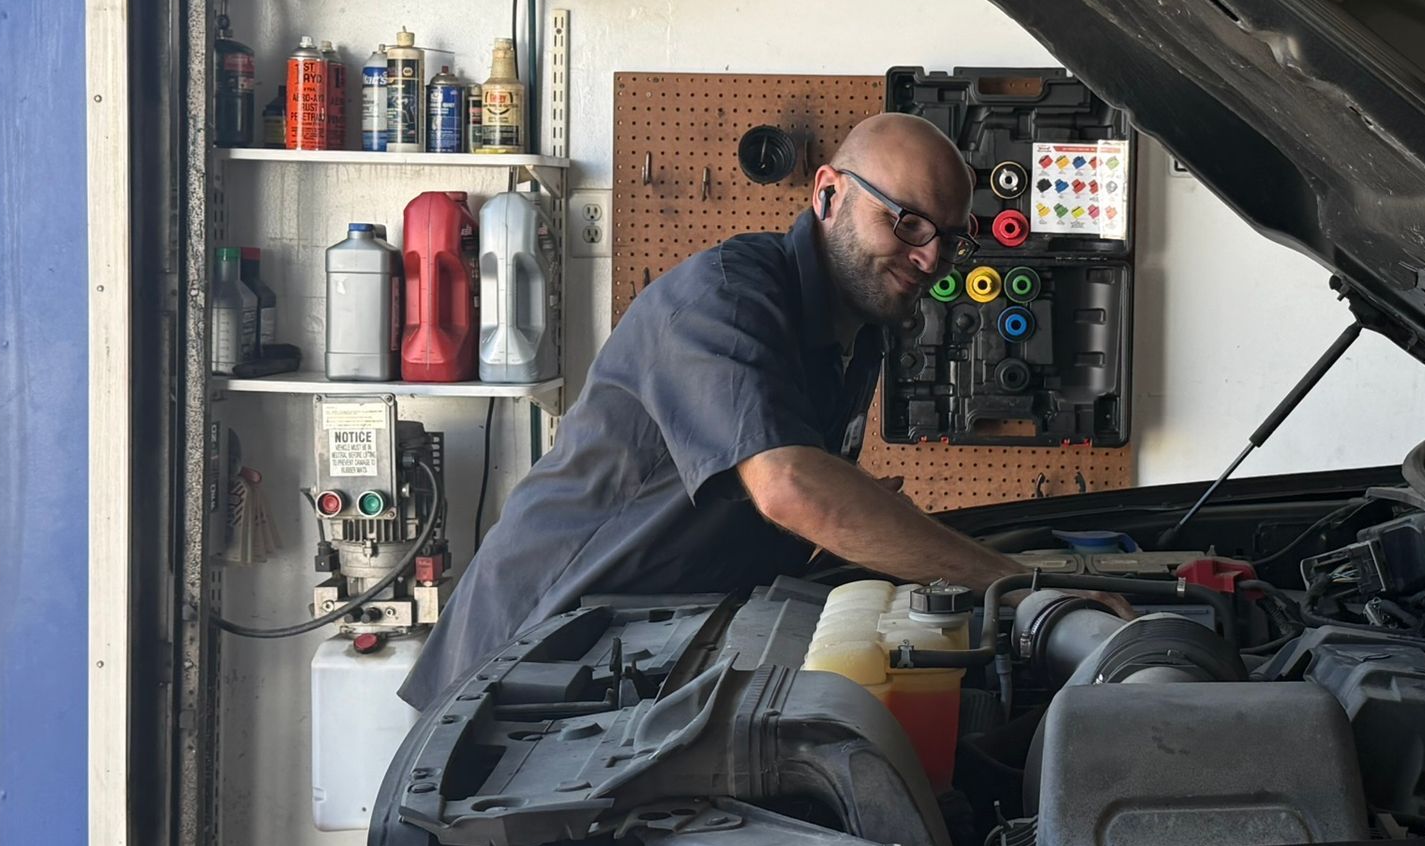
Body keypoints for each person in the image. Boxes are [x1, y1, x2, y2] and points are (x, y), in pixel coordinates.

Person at [401, 112, 1075, 709]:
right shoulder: (723, 302)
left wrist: (862, 507)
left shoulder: (860, 331)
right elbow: (788, 489)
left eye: (948, 240)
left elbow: (784, 481)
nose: (929, 257)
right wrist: (1016, 582)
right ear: (828, 194)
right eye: (905, 222)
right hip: (523, 664)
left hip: (646, 659)